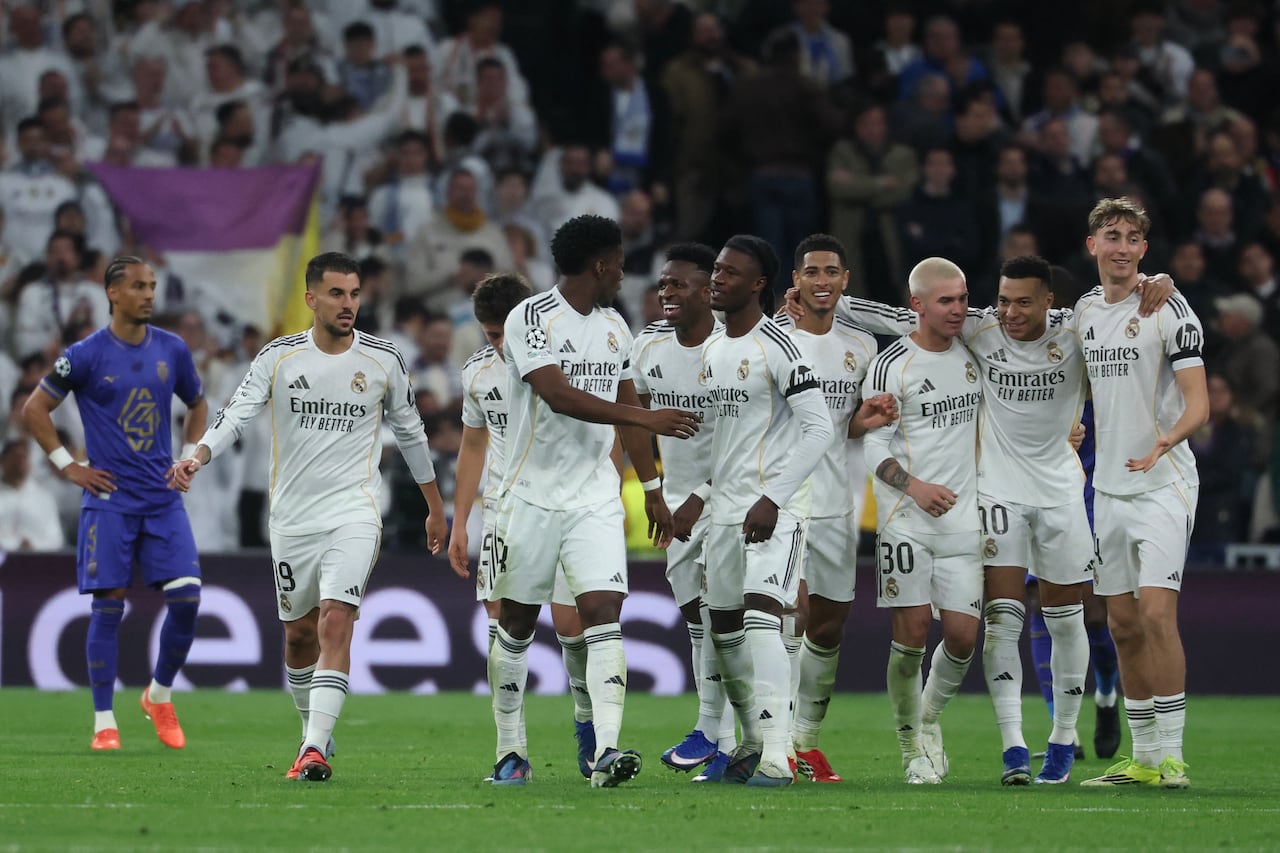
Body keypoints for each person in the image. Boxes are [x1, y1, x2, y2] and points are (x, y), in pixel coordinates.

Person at [167, 252, 448, 783]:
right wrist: (197, 455)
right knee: (299, 635)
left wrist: (436, 506)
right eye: (338, 294)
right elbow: (236, 414)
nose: (349, 305)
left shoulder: (383, 359)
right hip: (293, 518)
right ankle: (312, 729)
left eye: (356, 294)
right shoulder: (279, 357)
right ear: (311, 298)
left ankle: (313, 750)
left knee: (335, 620)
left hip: (355, 512)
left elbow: (412, 433)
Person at [486, 215, 699, 787]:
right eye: (621, 262)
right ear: (601, 264)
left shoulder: (614, 326)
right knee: (516, 623)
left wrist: (652, 489)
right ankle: (511, 752)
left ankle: (606, 752)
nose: (625, 274)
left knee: (603, 612)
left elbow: (626, 402)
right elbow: (556, 393)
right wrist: (641, 415)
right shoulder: (528, 317)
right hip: (528, 494)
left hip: (594, 496)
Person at [22, 255, 208, 751]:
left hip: (162, 499)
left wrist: (188, 457)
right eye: (139, 286)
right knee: (108, 606)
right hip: (109, 501)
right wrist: (68, 466)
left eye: (152, 286)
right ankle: (104, 721)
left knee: (188, 599)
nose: (149, 294)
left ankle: (159, 694)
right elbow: (34, 409)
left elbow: (197, 404)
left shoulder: (173, 348)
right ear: (113, 293)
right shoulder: (84, 355)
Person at [685, 234, 836, 787]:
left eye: (728, 273)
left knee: (760, 616)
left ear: (757, 285)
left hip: (776, 509)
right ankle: (748, 743)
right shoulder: (714, 350)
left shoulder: (781, 346)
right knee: (723, 631)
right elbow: (725, 442)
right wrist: (698, 497)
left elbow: (820, 428)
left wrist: (774, 496)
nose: (716, 279)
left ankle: (778, 753)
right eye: (716, 270)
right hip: (723, 512)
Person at [448, 272, 602, 779]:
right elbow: (473, 445)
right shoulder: (476, 372)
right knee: (504, 629)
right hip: (507, 515)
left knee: (571, 628)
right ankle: (510, 752)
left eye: (504, 331)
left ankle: (586, 720)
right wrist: (460, 522)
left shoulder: (568, 363)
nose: (499, 342)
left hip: (568, 507)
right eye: (490, 334)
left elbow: (604, 425)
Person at [1075, 198, 1207, 789]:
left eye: (1133, 238)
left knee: (1156, 615)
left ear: (1144, 251)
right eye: (1112, 235)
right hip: (1108, 488)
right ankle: (1145, 758)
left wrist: (1166, 439)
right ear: (1093, 246)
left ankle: (1174, 755)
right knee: (1122, 625)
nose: (1123, 246)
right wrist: (1072, 426)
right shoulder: (1082, 311)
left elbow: (1199, 403)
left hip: (1164, 482)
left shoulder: (1170, 309)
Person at [860, 257, 983, 785]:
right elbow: (871, 443)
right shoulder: (892, 365)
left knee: (961, 637)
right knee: (910, 636)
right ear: (917, 305)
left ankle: (928, 721)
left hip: (966, 520)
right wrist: (915, 486)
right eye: (945, 301)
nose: (958, 310)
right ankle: (912, 748)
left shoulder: (977, 351)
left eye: (962, 299)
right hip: (906, 519)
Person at [772, 234, 887, 783]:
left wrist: (867, 419)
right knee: (787, 616)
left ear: (846, 282)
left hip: (838, 500)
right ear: (795, 280)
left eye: (831, 272)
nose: (821, 281)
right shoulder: (768, 338)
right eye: (811, 271)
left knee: (829, 623)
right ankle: (772, 742)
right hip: (782, 497)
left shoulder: (861, 347)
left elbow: (847, 426)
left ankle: (805, 742)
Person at [628, 243, 734, 781]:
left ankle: (722, 736)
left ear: (709, 291)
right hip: (676, 504)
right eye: (663, 285)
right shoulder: (647, 344)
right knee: (697, 620)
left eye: (680, 284)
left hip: (733, 498)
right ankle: (713, 733)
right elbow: (633, 416)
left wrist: (701, 497)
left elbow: (755, 440)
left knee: (724, 616)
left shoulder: (733, 347)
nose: (667, 293)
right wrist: (653, 489)